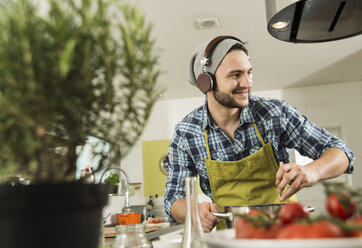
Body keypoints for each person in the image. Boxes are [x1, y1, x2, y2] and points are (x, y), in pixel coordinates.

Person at [164, 35, 354, 232]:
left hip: (287, 233)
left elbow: (342, 152)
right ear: (207, 82)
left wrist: (311, 171)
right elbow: (173, 199)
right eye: (236, 75)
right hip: (231, 238)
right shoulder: (185, 133)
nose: (247, 83)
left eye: (249, 73)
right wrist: (192, 211)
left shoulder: (275, 113)